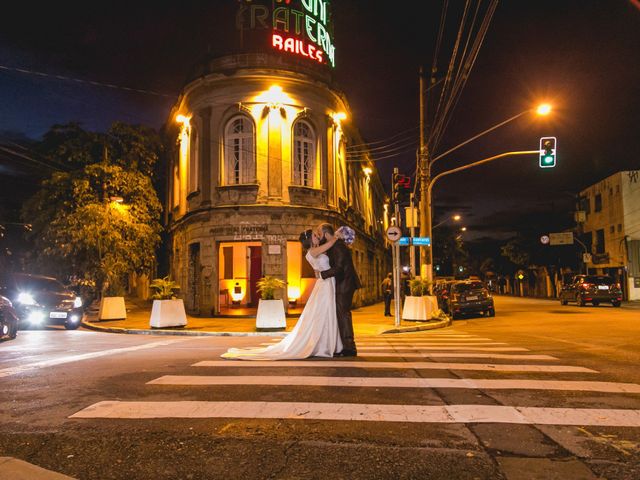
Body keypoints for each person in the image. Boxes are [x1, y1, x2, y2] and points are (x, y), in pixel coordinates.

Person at [221, 229, 342, 360]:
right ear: (309, 240)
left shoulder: (314, 251)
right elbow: (330, 245)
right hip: (324, 285)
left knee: (325, 314)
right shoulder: (313, 251)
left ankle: (326, 343)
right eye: (314, 235)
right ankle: (323, 345)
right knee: (323, 313)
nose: (317, 235)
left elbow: (317, 270)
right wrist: (336, 236)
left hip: (325, 283)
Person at [315, 223, 362, 357]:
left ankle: (349, 347)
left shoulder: (338, 246)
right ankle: (343, 345)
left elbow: (339, 268)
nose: (318, 235)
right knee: (341, 314)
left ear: (325, 233)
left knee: (343, 314)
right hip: (343, 284)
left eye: (319, 233)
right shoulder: (334, 246)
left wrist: (322, 274)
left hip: (344, 285)